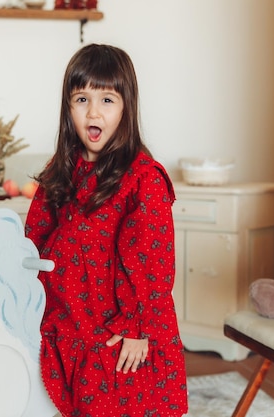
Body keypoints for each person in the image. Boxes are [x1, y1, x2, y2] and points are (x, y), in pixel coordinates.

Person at [25, 43, 188, 417]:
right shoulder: (62, 169)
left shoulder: (142, 178)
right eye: (81, 99)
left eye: (107, 100)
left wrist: (136, 327)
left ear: (126, 106)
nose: (93, 111)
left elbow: (152, 260)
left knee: (120, 405)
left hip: (119, 331)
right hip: (72, 322)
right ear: (68, 107)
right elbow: (36, 234)